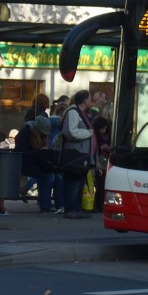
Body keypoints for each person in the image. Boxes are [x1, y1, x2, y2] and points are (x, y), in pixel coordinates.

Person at [60, 90, 97, 219]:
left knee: (80, 183)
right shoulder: (73, 112)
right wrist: (88, 133)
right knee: (73, 183)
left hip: (83, 155)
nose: (91, 101)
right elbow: (71, 132)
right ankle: (71, 210)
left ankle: (77, 209)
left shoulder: (83, 113)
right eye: (89, 99)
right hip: (75, 155)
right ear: (84, 100)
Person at [92, 112, 112, 212]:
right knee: (100, 184)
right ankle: (98, 204)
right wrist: (101, 147)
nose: (104, 131)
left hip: (106, 159)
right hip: (99, 159)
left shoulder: (108, 135)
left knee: (103, 183)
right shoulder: (95, 136)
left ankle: (100, 204)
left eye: (105, 128)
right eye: (102, 129)